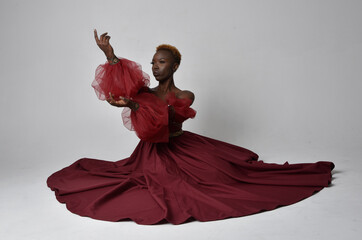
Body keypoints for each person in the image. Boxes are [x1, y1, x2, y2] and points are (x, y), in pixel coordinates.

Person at [47, 30, 334, 225]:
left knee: (226, 181)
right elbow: (128, 93)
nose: (156, 67)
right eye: (153, 63)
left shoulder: (185, 97)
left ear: (174, 67)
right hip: (150, 155)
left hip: (182, 148)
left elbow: (164, 122)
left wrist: (134, 106)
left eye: (162, 63)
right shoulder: (143, 91)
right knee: (145, 184)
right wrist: (111, 55)